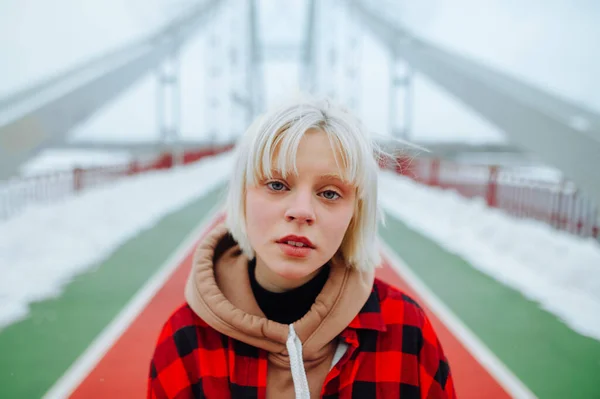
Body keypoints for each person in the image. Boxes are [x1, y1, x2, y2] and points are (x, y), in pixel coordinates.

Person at [147, 97, 456, 398]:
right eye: (277, 185)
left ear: (355, 214)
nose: (301, 210)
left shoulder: (405, 331)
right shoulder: (186, 339)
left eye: (330, 193)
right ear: (242, 195)